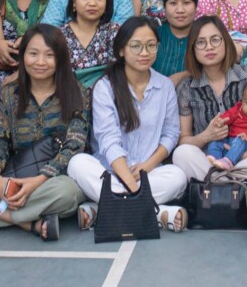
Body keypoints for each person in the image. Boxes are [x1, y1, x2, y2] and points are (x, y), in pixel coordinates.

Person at [0, 25, 89, 240]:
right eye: (33, 54)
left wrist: (36, 182)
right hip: (13, 176)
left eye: (49, 55)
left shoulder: (76, 92)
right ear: (23, 56)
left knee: (70, 192)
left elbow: (74, 146)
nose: (40, 62)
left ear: (60, 59)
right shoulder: (9, 94)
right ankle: (29, 223)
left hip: (51, 180)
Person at [67, 17, 190, 232]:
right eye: (136, 46)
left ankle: (103, 209)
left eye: (151, 45)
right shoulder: (106, 87)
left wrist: (148, 166)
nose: (144, 52)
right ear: (122, 50)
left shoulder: (165, 86)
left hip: (148, 174)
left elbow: (171, 133)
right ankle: (155, 212)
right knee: (77, 164)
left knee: (178, 177)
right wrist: (133, 189)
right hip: (109, 172)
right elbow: (108, 140)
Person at [172, 18, 247, 180]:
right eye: (201, 42)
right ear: (193, 49)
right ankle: (231, 185)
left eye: (215, 39)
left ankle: (218, 185)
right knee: (181, 153)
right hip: (208, 159)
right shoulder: (187, 87)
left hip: (243, 157)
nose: (209, 47)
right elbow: (184, 139)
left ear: (226, 42)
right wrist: (206, 136)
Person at [57, 0, 121, 86]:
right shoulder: (59, 35)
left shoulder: (114, 32)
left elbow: (120, 72)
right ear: (73, 2)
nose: (92, 3)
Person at [154, 0, 199, 76]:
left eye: (186, 3)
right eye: (173, 3)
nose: (180, 10)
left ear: (196, 6)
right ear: (164, 7)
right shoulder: (154, 36)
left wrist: (183, 76)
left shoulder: (204, 37)